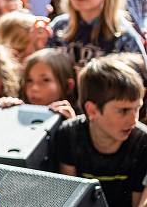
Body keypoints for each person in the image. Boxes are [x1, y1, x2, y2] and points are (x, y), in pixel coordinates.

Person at [56, 57, 147, 207]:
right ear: (92, 110)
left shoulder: (142, 142)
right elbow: (69, 196)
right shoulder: (69, 134)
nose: (133, 120)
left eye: (137, 108)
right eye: (123, 111)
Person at [0, 48, 77, 120]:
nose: (34, 88)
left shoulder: (79, 121)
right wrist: (7, 111)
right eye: (29, 80)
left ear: (68, 86)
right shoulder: (20, 110)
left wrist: (72, 125)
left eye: (45, 80)